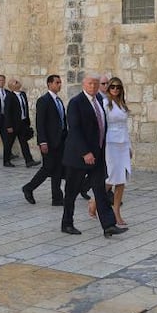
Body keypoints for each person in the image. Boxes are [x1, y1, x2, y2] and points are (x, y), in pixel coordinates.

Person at [60, 72, 127, 238]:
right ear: (83, 84)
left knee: (100, 191)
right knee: (71, 192)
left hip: (97, 156)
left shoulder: (99, 101)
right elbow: (74, 130)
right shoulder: (76, 103)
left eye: (96, 84)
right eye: (90, 83)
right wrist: (85, 152)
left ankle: (109, 225)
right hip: (78, 156)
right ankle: (67, 223)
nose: (93, 86)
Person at [22, 74, 66, 206]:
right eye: (57, 82)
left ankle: (57, 198)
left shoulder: (59, 101)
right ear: (49, 84)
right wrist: (42, 141)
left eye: (60, 82)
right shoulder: (44, 100)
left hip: (60, 141)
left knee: (58, 168)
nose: (59, 85)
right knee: (47, 168)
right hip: (49, 141)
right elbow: (40, 123)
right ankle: (28, 188)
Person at [103, 77, 132, 226]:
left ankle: (116, 211)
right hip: (111, 143)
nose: (115, 89)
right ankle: (96, 200)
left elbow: (126, 127)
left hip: (123, 143)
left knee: (122, 179)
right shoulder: (105, 104)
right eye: (112, 87)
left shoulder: (122, 105)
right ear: (108, 88)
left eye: (118, 87)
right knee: (112, 177)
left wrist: (129, 147)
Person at [3, 78, 38, 168]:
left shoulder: (23, 94)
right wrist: (8, 125)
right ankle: (6, 161)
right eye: (15, 82)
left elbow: (25, 108)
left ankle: (29, 161)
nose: (17, 82)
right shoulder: (9, 96)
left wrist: (27, 120)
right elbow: (7, 112)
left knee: (24, 142)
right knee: (9, 143)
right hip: (13, 124)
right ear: (11, 86)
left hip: (22, 123)